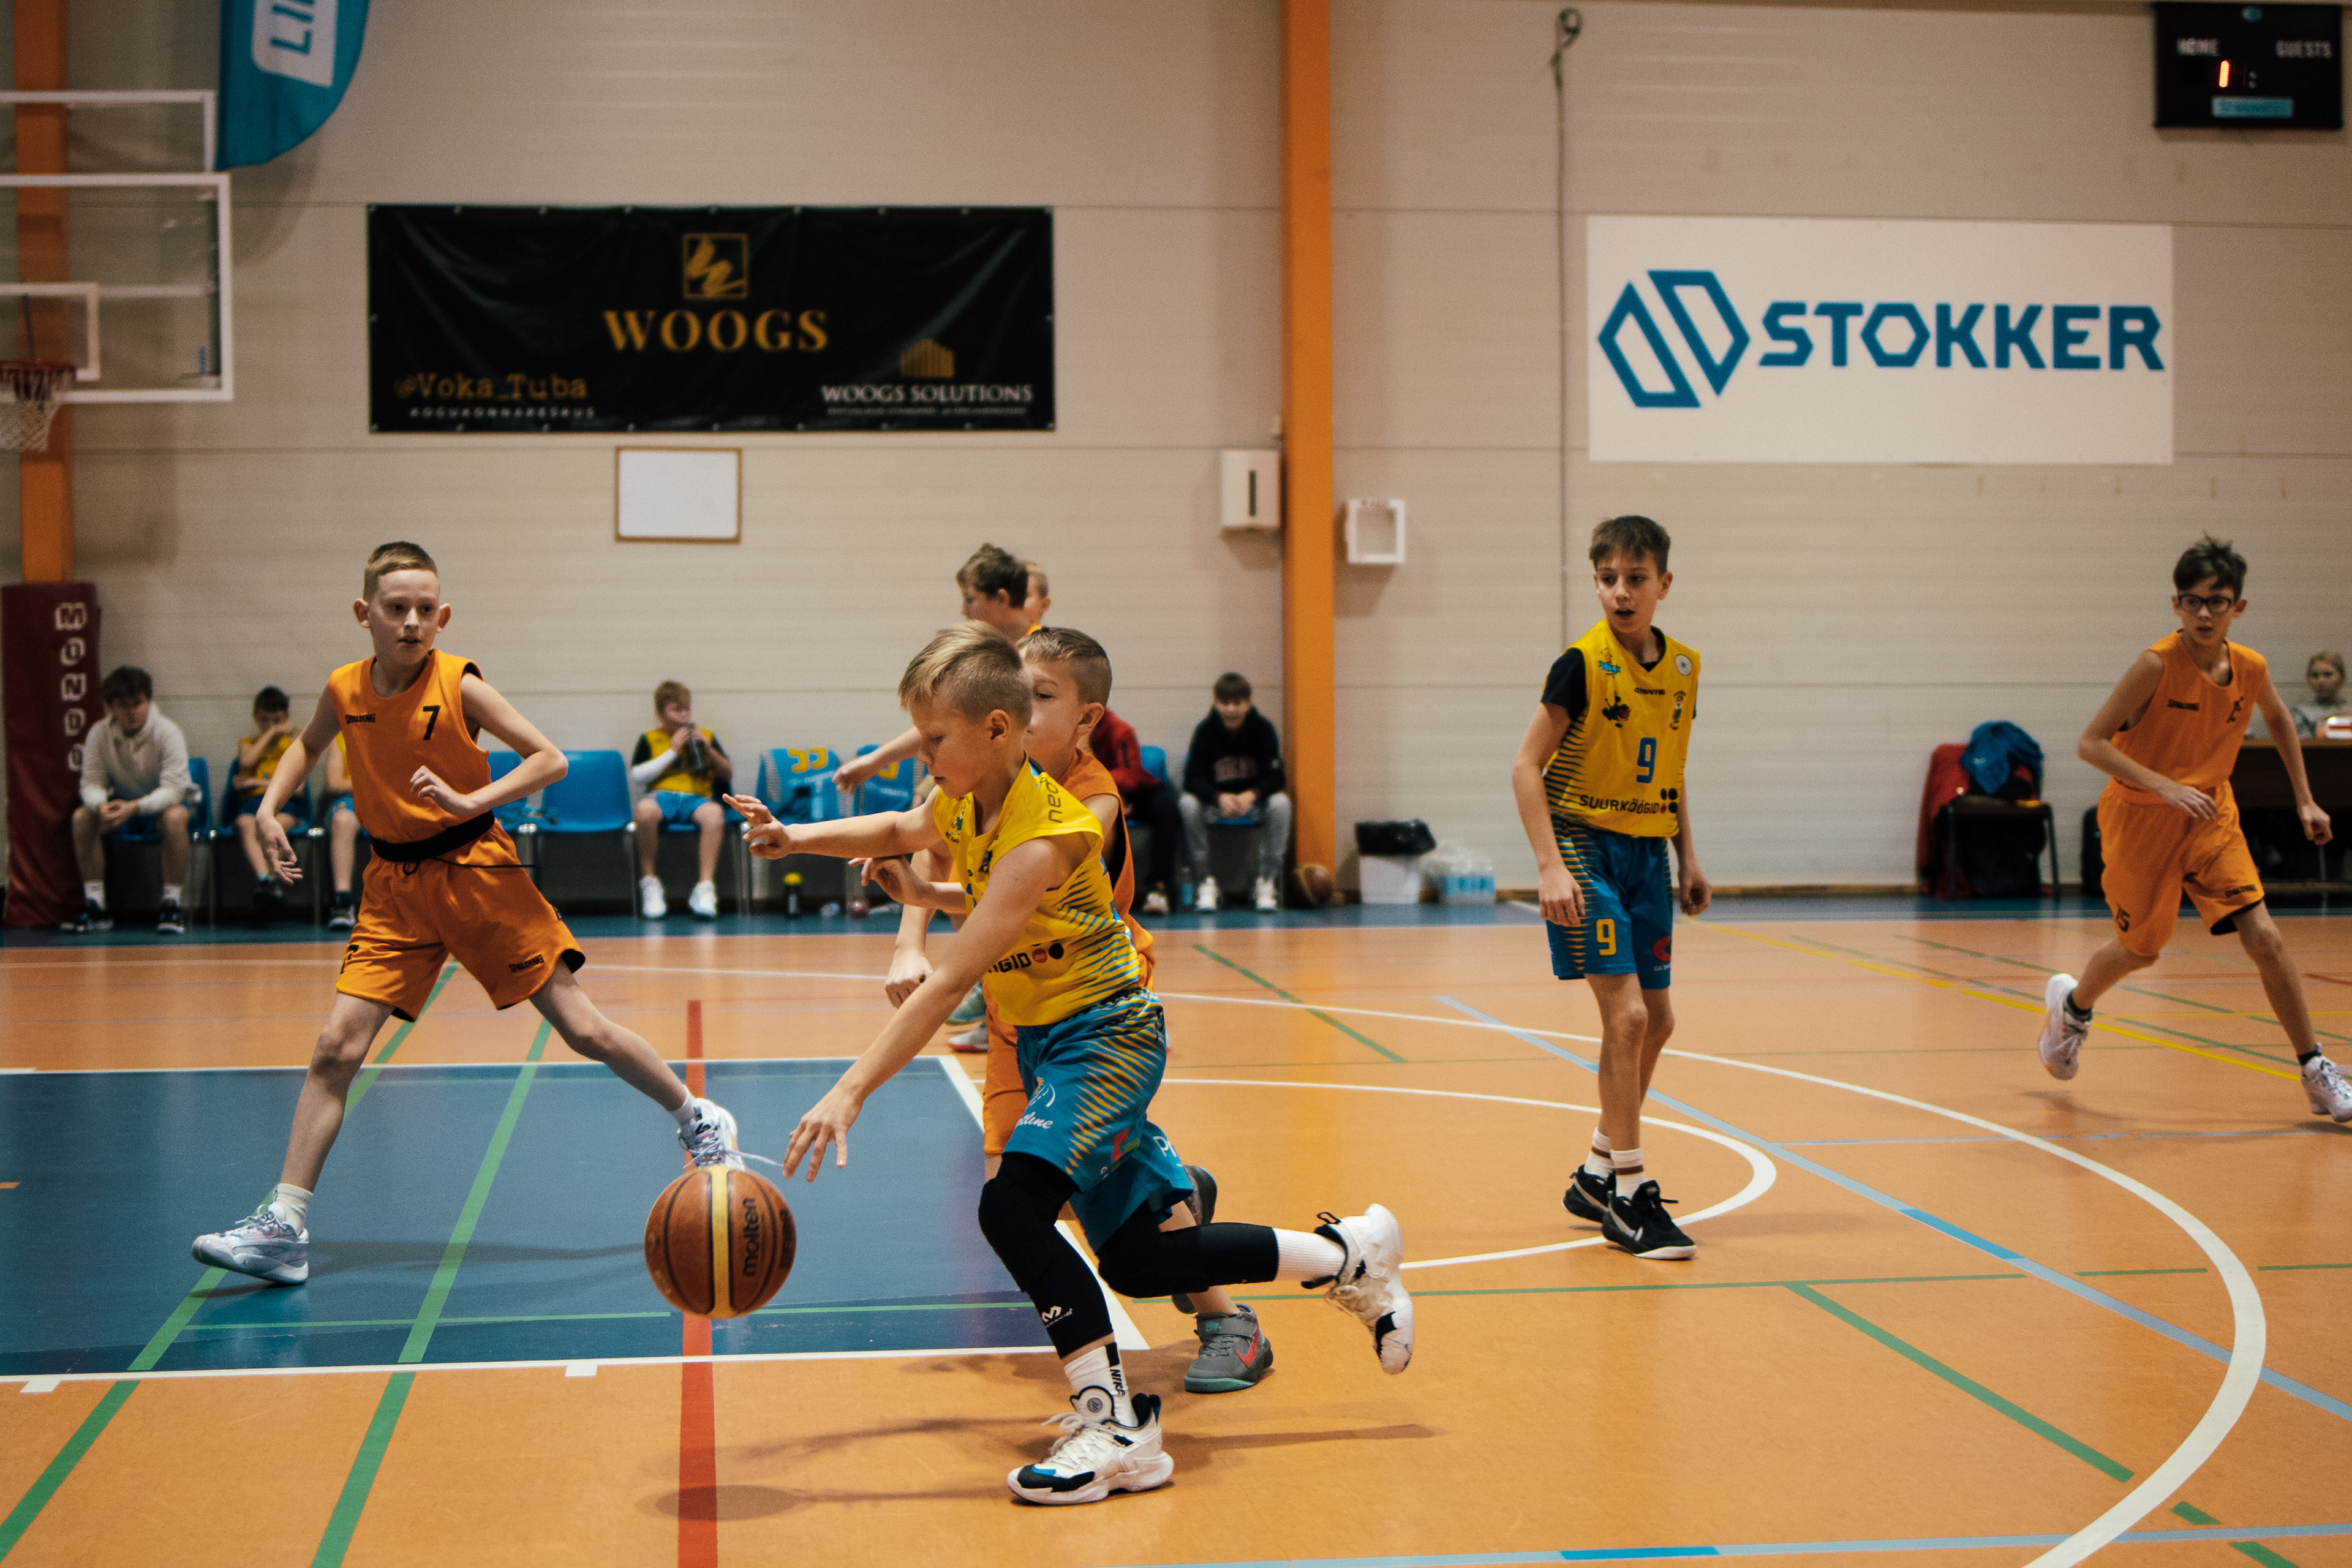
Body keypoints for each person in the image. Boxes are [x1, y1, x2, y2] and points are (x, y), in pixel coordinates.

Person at [729, 624, 1410, 1506]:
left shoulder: (1043, 835)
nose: (921, 753)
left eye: (934, 737)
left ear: (997, 731)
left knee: (1010, 1208)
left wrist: (849, 1090)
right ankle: (1347, 1255)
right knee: (1135, 1262)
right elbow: (900, 826)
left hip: (1107, 1038)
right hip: (1057, 1041)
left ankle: (1115, 1424)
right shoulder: (966, 800)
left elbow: (950, 983)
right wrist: (795, 838)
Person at [188, 541, 747, 1287]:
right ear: (363, 613)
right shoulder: (344, 688)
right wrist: (268, 807)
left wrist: (470, 799)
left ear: (443, 616)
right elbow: (308, 745)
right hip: (393, 888)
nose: (412, 622)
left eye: (425, 609)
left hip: (477, 872)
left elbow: (547, 759)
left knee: (583, 1029)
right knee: (334, 1048)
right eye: (396, 608)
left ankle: (696, 1117)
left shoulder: (460, 684)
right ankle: (284, 1227)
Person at [882, 627, 1272, 1393]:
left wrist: (928, 918)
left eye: (1041, 695)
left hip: (1094, 1001)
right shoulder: (984, 775)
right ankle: (1170, 1197)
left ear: (1086, 719)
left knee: (1027, 1192)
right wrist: (911, 929)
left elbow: (1017, 888)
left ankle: (1221, 1316)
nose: (1021, 705)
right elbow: (935, 841)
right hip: (1020, 997)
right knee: (1024, 1191)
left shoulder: (1088, 799)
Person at [2034, 536, 2350, 1121]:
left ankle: (2316, 1069)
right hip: (2141, 817)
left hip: (2211, 815)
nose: (2204, 613)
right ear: (2176, 604)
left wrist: (2305, 799)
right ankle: (2072, 1008)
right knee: (2141, 951)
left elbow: (2279, 718)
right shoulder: (2154, 665)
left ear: (2239, 607)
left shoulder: (2251, 667)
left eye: (2217, 602)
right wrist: (2163, 786)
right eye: (2192, 601)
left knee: (2266, 939)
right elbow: (2091, 743)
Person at [1509, 514, 1713, 1261]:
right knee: (1626, 1016)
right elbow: (1525, 766)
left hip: (1647, 853)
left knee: (1658, 1021)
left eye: (1635, 579)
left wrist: (1690, 857)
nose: (1620, 592)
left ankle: (1597, 1171)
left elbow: (1671, 769)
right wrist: (1549, 866)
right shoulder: (1581, 664)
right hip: (1582, 843)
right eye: (1607, 579)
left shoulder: (1683, 668)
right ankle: (1629, 1194)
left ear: (1664, 584)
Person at [837, 543, 1040, 1033]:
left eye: (970, 600)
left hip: (1029, 793)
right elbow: (940, 723)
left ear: (1000, 598)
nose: (964, 610)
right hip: (992, 790)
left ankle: (993, 984)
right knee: (939, 838)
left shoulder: (1038, 656)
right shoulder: (984, 659)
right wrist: (877, 760)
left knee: (1004, 893)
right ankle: (986, 981)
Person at [68, 665, 198, 935]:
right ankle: (96, 905)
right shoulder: (99, 733)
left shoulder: (168, 732)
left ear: (148, 701)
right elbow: (92, 783)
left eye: (138, 703)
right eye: (123, 705)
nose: (131, 711)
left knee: (176, 817)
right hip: (122, 809)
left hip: (159, 809)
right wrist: (100, 805)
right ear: (111, 707)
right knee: (82, 817)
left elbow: (175, 789)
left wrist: (136, 807)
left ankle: (172, 905)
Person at [1179, 673, 1291, 911]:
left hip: (1254, 803)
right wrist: (1218, 797)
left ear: (1248, 704)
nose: (1231, 709)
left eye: (1237, 703)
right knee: (1188, 804)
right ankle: (1204, 882)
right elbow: (1192, 779)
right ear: (1216, 703)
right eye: (1225, 703)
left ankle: (1267, 881)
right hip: (1215, 805)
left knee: (1281, 803)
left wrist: (1252, 794)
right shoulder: (1205, 731)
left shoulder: (1263, 729)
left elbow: (1277, 777)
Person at [630, 679, 734, 919]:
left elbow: (727, 774)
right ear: (660, 715)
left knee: (715, 814)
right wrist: (673, 751)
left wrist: (709, 749)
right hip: (662, 797)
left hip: (697, 799)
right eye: (676, 710)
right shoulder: (650, 739)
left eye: (687, 709)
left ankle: (705, 888)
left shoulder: (705, 736)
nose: (684, 715)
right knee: (644, 811)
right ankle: (650, 883)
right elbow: (638, 776)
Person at [1091, 704, 1180, 915]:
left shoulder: (1120, 731)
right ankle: (1099, 893)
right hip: (1094, 795)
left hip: (1134, 795)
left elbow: (1130, 775)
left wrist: (1114, 792)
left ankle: (1160, 889)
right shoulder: (1065, 731)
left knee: (1167, 808)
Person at [230, 685, 309, 922]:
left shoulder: (295, 747)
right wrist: (271, 733)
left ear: (286, 719)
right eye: (265, 720)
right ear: (256, 718)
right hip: (254, 804)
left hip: (286, 805)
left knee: (276, 828)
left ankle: (267, 888)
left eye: (277, 721)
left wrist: (254, 782)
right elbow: (246, 762)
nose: (271, 725)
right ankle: (267, 882)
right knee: (245, 823)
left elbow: (297, 790)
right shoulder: (248, 743)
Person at [323, 736, 361, 930]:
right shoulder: (340, 739)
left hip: (387, 800)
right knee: (343, 820)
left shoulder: (393, 733)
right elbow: (335, 783)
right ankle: (343, 902)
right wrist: (373, 781)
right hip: (351, 801)